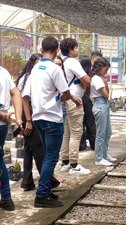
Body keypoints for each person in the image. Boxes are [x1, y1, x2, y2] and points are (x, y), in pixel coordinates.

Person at [23, 36, 82, 208]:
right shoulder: (55, 69)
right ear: (57, 50)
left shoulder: (35, 69)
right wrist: (63, 98)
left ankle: (47, 190)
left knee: (48, 154)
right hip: (52, 118)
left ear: (41, 50)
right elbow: (65, 92)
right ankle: (41, 195)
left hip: (38, 118)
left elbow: (26, 95)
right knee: (50, 157)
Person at [16, 53, 60, 191]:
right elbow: (24, 99)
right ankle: (47, 181)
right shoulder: (30, 77)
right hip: (29, 114)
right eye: (37, 62)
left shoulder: (29, 76)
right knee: (38, 148)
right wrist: (27, 121)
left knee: (29, 148)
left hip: (29, 114)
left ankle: (27, 181)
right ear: (32, 63)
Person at [59, 38, 91, 175]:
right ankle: (74, 165)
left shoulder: (63, 62)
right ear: (71, 49)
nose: (78, 50)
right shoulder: (72, 62)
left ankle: (65, 162)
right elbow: (87, 80)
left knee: (67, 131)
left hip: (67, 99)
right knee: (76, 132)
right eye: (76, 48)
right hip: (75, 100)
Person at [0, 66, 23, 211]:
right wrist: (18, 118)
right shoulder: (3, 71)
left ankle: (7, 198)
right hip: (2, 125)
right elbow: (16, 93)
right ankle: (7, 199)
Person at [90, 57, 117, 166]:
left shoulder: (100, 78)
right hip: (100, 105)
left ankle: (104, 154)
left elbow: (107, 93)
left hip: (103, 104)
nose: (106, 72)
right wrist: (105, 82)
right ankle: (99, 158)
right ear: (99, 68)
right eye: (105, 69)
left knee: (107, 132)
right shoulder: (96, 78)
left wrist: (105, 82)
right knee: (101, 133)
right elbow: (106, 94)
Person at [79, 57, 96, 151]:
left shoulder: (78, 74)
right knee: (91, 123)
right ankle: (93, 144)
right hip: (89, 99)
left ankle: (81, 145)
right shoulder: (91, 75)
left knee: (80, 123)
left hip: (80, 98)